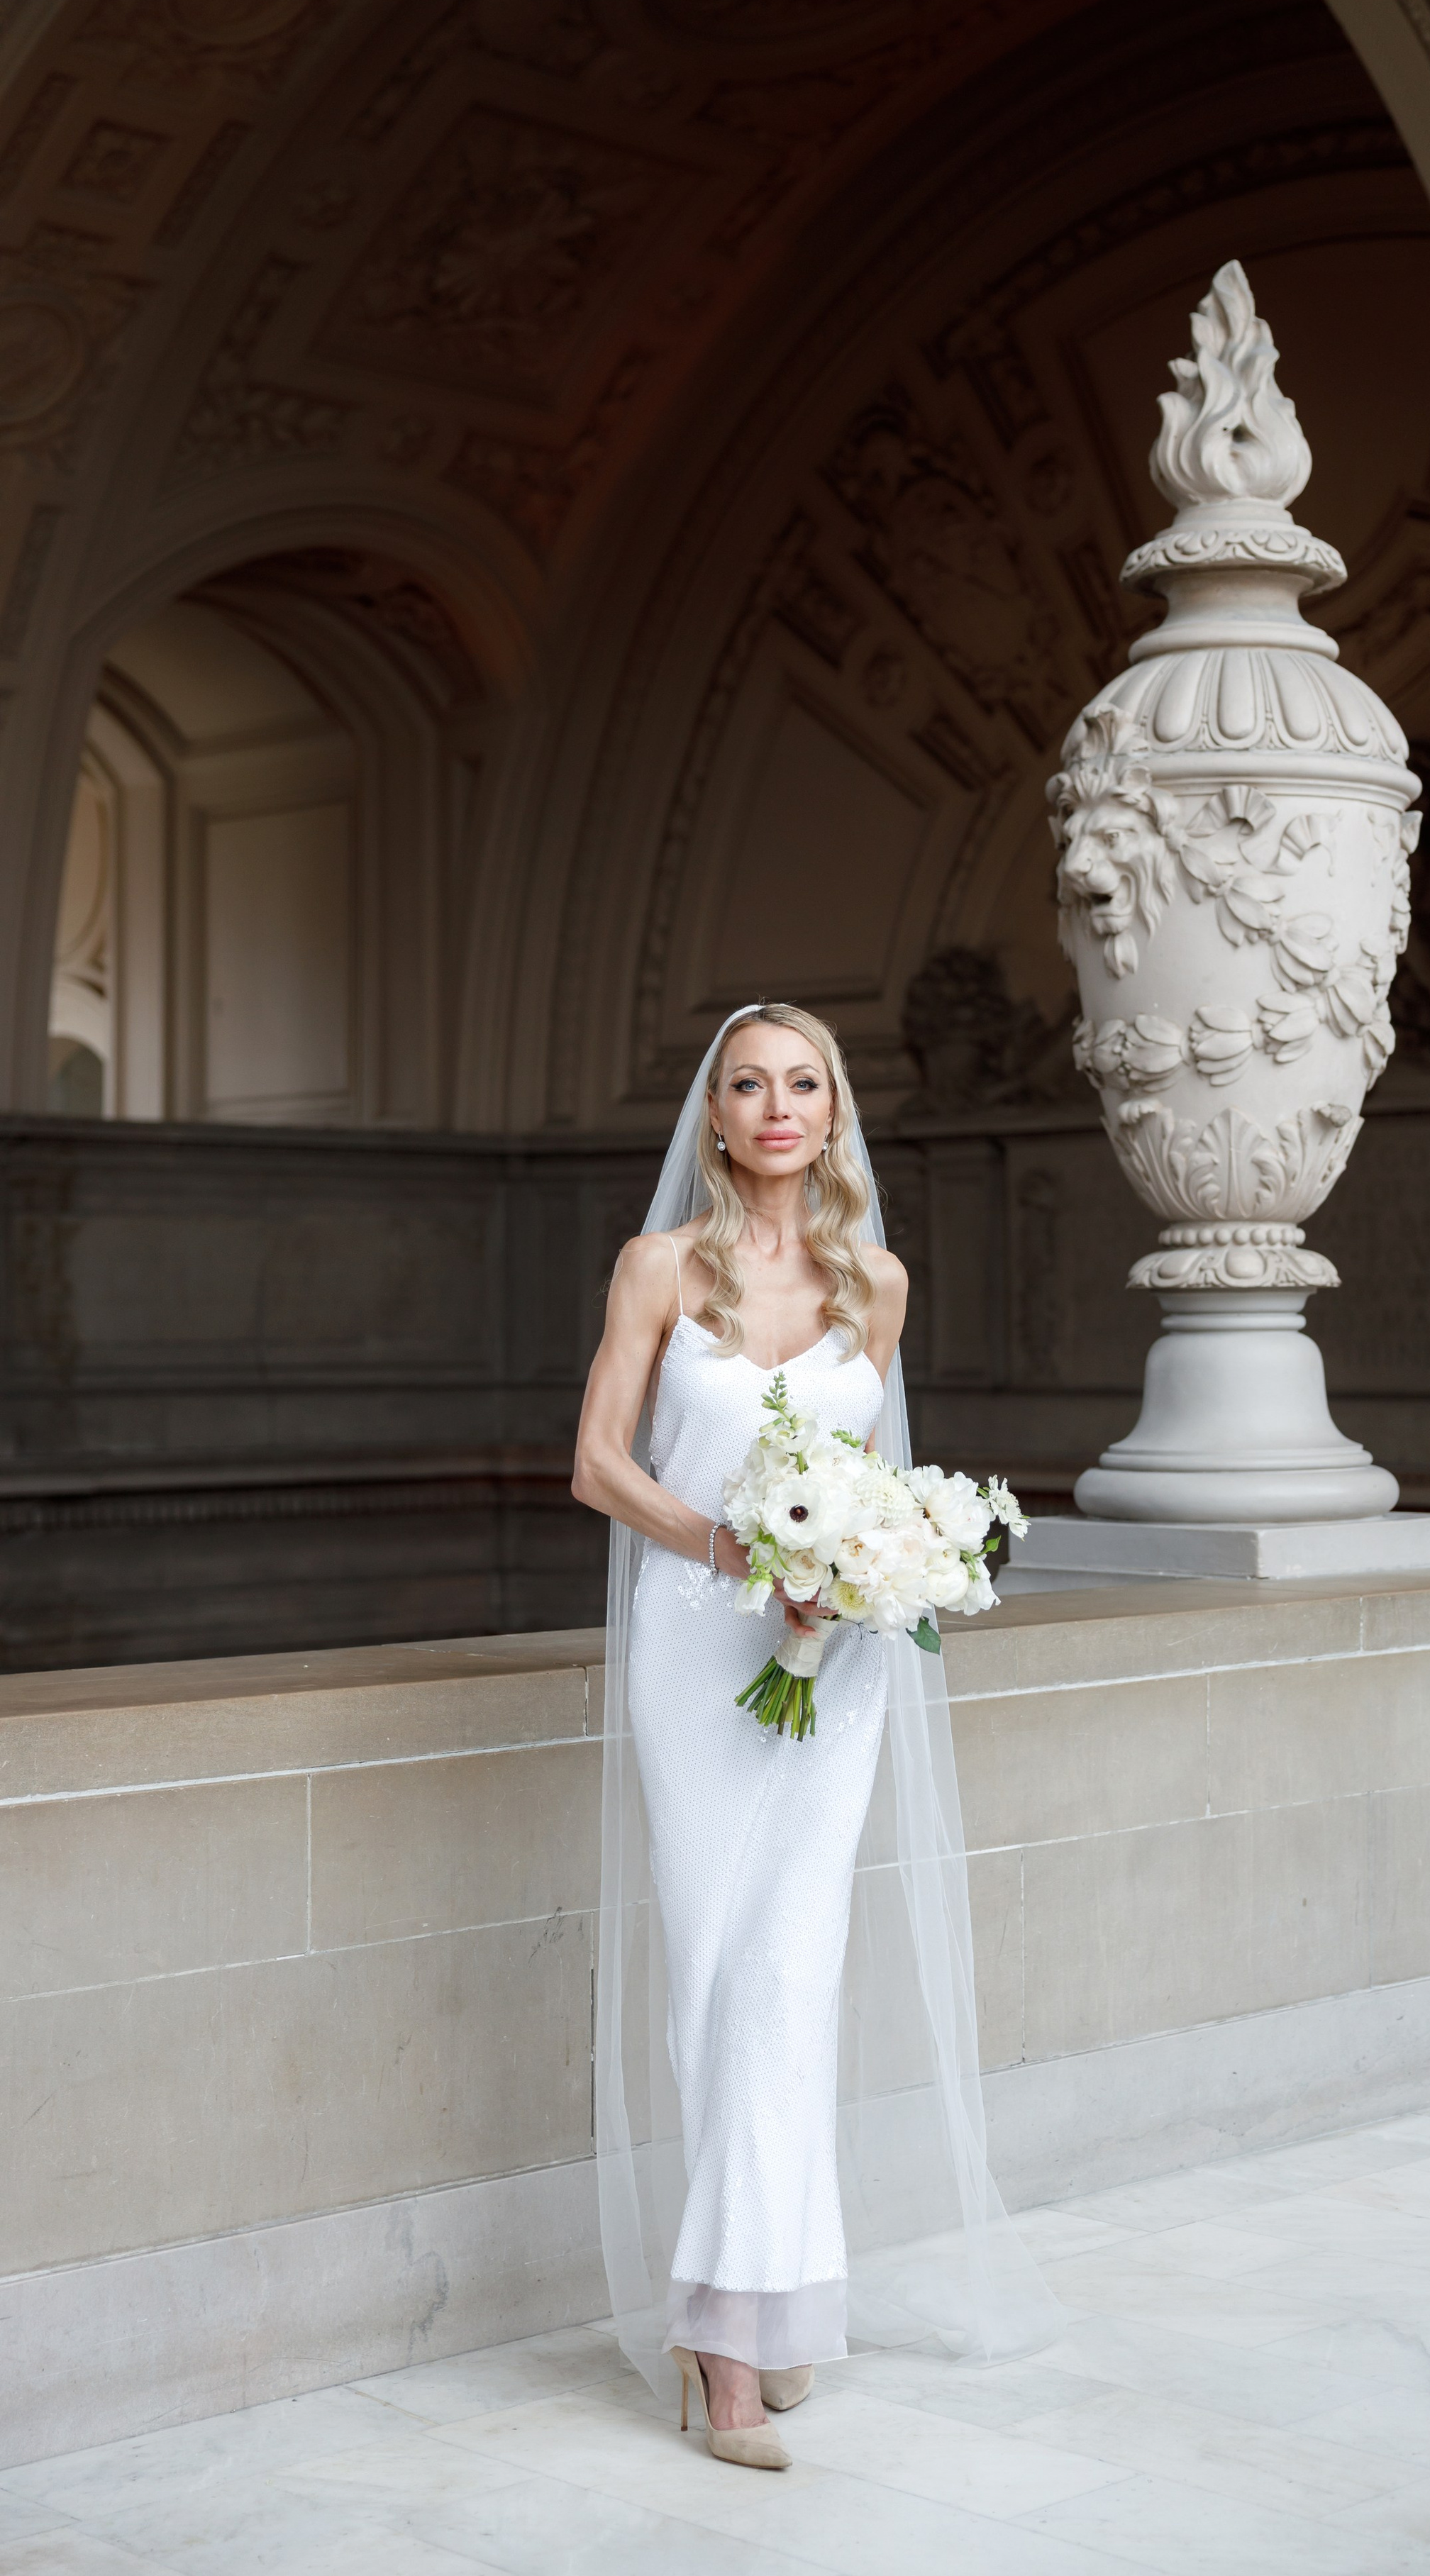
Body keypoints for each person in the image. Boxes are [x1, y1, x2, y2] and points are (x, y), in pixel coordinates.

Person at [572, 1001, 1055, 2472]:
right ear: (713, 1120)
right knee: (715, 1977)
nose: (777, 1107)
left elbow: (856, 1478)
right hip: (694, 1650)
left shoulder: (876, 1284)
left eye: (803, 1085)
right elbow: (597, 1463)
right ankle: (719, 2342)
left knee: (792, 1982)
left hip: (830, 1667)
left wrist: (882, 1562)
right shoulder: (659, 1267)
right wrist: (729, 1552)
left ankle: (758, 2321)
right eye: (747, 1086)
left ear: (834, 1116)